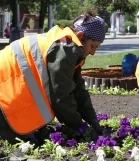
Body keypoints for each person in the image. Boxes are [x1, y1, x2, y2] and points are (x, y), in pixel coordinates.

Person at [0, 11, 105, 144]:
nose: (93, 52)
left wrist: (92, 121)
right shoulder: (66, 49)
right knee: (12, 144)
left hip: (7, 89)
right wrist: (80, 127)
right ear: (80, 35)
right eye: (92, 46)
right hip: (4, 93)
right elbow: (61, 98)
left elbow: (78, 91)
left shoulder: (67, 45)